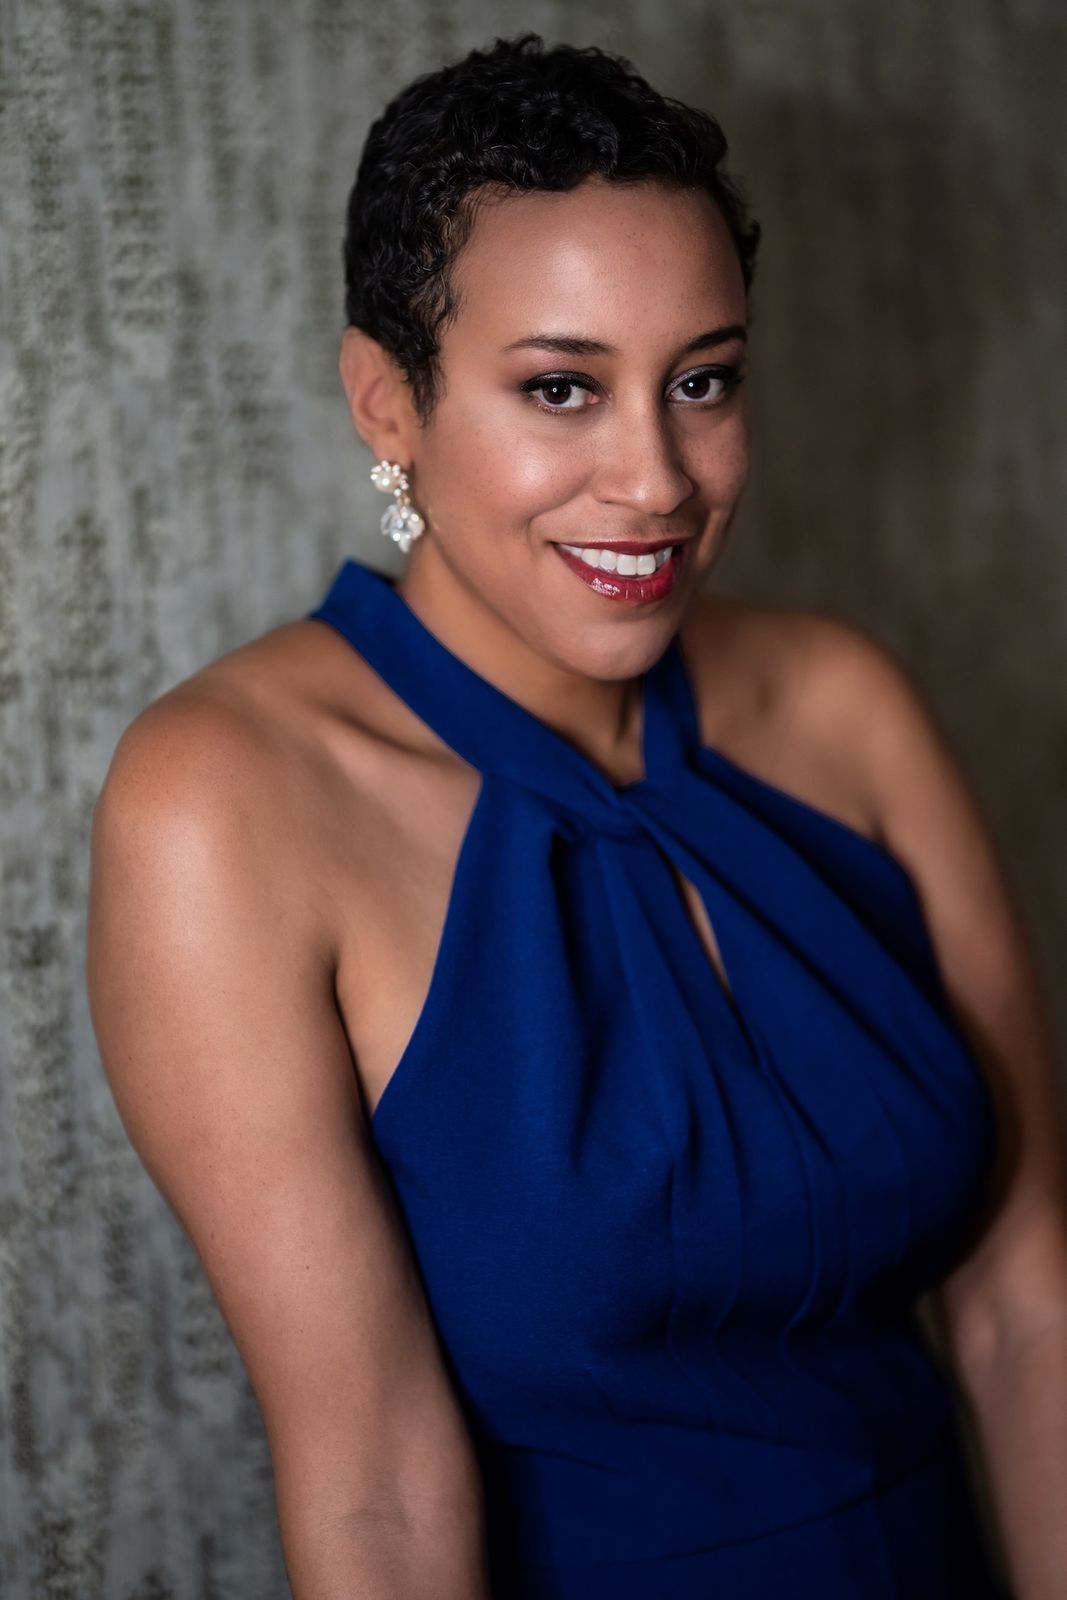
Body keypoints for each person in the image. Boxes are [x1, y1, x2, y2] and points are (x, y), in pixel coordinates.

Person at [85, 31, 1067, 1600]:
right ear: (385, 401)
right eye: (561, 388)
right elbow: (376, 1494)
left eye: (703, 381)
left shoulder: (845, 705)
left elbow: (1029, 1312)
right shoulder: (223, 806)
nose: (657, 479)